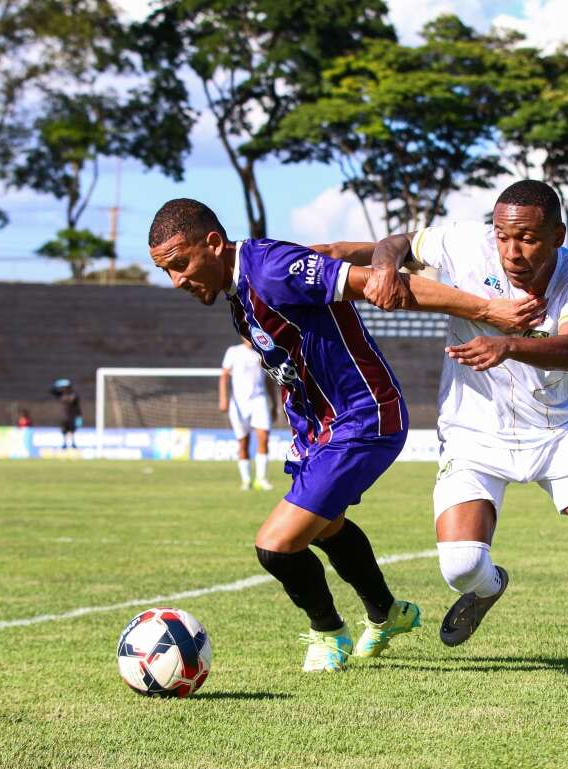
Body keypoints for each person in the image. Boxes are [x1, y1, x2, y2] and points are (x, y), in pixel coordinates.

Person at [147, 198, 544, 673]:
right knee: (326, 528)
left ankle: (328, 633)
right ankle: (387, 612)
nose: (177, 281)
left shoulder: (269, 271)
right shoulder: (244, 284)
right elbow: (331, 253)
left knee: (276, 545)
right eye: (167, 271)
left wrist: (489, 310)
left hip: (363, 419)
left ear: (212, 243)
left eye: (180, 265)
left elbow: (383, 287)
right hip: (320, 430)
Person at [349, 179, 568, 684]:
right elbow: (395, 243)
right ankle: (488, 586)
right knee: (459, 566)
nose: (511, 250)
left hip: (558, 430)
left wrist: (508, 345)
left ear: (557, 235)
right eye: (502, 236)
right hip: (473, 431)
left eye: (527, 238)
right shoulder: (463, 242)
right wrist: (388, 266)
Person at [220, 338, 276, 491]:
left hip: (259, 400)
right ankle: (246, 480)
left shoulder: (262, 352)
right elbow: (224, 375)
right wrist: (223, 399)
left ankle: (261, 479)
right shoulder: (233, 351)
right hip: (239, 403)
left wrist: (274, 404)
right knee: (243, 442)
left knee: (264, 437)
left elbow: (270, 380)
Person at [51, 379, 82, 449]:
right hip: (64, 416)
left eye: (66, 387)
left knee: (72, 430)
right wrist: (56, 385)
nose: (65, 389)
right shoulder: (61, 394)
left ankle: (73, 443)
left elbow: (73, 400)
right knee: (64, 430)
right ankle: (64, 444)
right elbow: (52, 391)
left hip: (73, 416)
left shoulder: (74, 394)